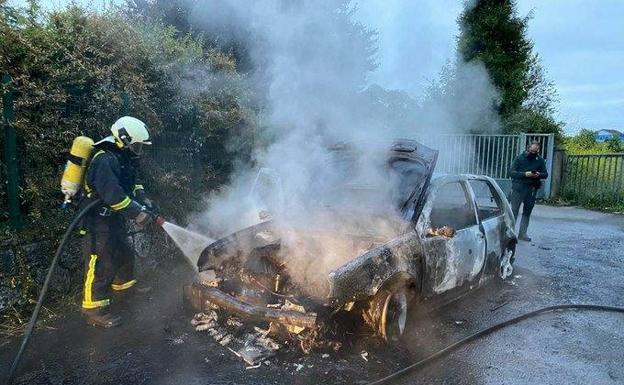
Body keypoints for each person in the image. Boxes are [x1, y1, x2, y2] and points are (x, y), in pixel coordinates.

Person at [80, 116, 157, 327]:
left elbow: (134, 185)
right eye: (137, 145)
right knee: (100, 263)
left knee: (123, 252)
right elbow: (113, 195)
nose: (139, 150)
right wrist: (138, 213)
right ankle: (93, 309)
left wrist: (144, 202)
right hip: (98, 221)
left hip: (113, 219)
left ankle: (125, 290)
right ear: (123, 139)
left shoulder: (125, 158)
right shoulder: (105, 160)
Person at [509, 141, 548, 242]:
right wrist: (525, 174)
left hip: (531, 189)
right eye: (532, 150)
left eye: (536, 151)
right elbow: (512, 173)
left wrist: (538, 174)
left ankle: (522, 233)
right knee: (514, 211)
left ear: (538, 150)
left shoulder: (540, 160)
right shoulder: (519, 158)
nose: (533, 152)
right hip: (518, 188)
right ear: (528, 148)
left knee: (527, 212)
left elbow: (545, 174)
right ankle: (510, 232)